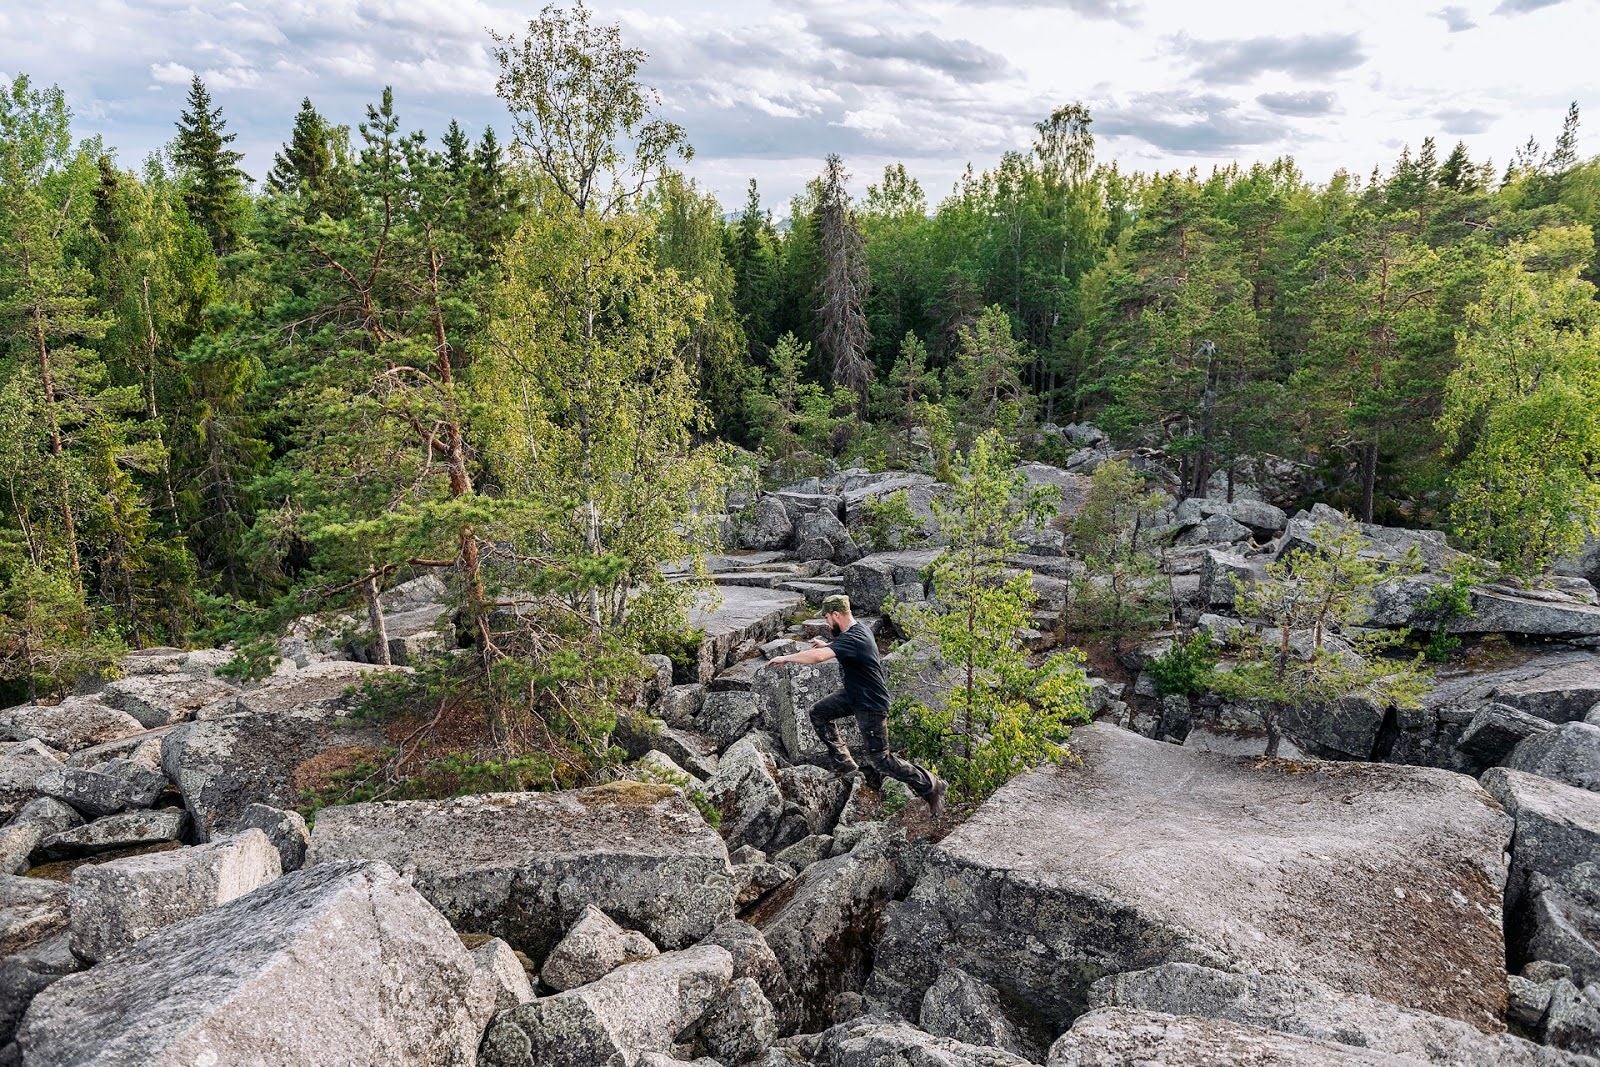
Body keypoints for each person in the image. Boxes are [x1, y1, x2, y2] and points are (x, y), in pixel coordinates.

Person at [765, 594, 946, 816]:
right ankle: (843, 763)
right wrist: (828, 644)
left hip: (870, 702)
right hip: (853, 694)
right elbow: (843, 647)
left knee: (881, 760)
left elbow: (818, 657)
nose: (826, 623)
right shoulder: (857, 630)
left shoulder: (854, 637)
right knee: (818, 713)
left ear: (836, 615)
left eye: (827, 618)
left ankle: (932, 785)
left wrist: (786, 658)